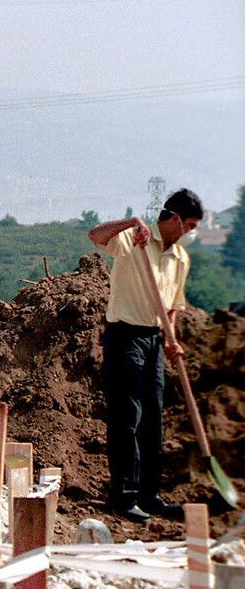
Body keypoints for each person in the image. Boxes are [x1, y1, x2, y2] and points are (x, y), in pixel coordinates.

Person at [87, 188, 203, 520]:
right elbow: (95, 235)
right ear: (174, 218)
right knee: (128, 416)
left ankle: (150, 495)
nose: (190, 233)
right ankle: (123, 496)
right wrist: (131, 222)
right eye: (190, 225)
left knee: (153, 417)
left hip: (154, 338)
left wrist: (172, 338)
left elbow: (172, 306)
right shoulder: (135, 241)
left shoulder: (180, 259)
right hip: (125, 335)